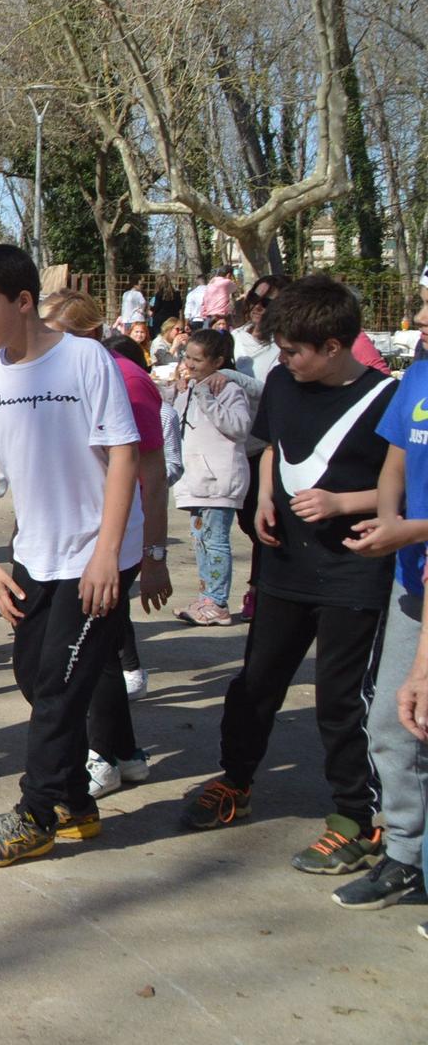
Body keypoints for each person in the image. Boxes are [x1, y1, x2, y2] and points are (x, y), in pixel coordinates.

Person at [179, 274, 397, 877]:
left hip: (354, 572)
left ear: (333, 346)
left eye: (296, 349)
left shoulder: (387, 398)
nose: (285, 359)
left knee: (340, 698)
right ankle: (237, 782)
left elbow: (402, 490)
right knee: (256, 683)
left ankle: (358, 820)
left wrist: (340, 504)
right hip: (283, 565)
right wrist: (266, 494)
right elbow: (274, 444)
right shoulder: (281, 379)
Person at [0, 246, 144, 866]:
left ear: (24, 302)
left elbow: (123, 456)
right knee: (34, 677)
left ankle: (35, 816)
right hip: (35, 554)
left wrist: (108, 556)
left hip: (100, 552)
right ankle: (76, 804)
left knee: (59, 688)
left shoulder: (86, 359)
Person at [39, 291, 174, 798]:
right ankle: (125, 752)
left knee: (82, 653)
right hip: (70, 536)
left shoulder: (128, 381)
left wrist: (154, 556)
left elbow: (152, 476)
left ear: (89, 335)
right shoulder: (59, 376)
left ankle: (100, 756)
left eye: (54, 332)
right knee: (102, 648)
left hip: (112, 542)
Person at [337, 278, 428, 918]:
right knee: (394, 724)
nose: (420, 315)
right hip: (413, 585)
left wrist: (408, 530)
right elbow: (395, 460)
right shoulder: (418, 378)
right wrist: (389, 526)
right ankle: (406, 857)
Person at [167, 327, 252, 626]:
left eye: (197, 360)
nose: (189, 364)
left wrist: (206, 397)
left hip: (219, 481)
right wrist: (175, 392)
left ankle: (217, 602)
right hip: (196, 480)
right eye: (186, 357)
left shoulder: (228, 390)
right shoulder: (189, 388)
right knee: (201, 541)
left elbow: (240, 427)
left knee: (214, 542)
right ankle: (207, 598)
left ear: (218, 361)